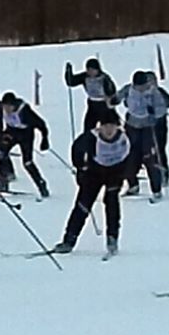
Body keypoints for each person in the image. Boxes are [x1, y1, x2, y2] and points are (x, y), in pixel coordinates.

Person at [53, 109, 130, 256]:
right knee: (83, 206)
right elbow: (76, 149)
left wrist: (127, 175)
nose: (108, 130)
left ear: (117, 127)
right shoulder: (91, 137)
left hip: (115, 173)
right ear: (100, 126)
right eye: (105, 126)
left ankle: (112, 238)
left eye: (112, 126)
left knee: (112, 203)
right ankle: (69, 240)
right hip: (94, 173)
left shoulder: (124, 139)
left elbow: (130, 157)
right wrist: (80, 168)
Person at [111, 70, 169, 200]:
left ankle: (156, 189)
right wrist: (114, 100)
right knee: (129, 155)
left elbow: (162, 108)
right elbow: (118, 97)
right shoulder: (129, 89)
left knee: (150, 157)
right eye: (138, 86)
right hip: (132, 126)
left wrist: (154, 111)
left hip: (148, 128)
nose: (140, 88)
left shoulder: (153, 92)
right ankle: (133, 185)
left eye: (143, 85)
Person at [0, 92, 50, 198]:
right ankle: (4, 179)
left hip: (26, 135)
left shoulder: (25, 112)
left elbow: (41, 124)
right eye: (4, 106)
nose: (6, 109)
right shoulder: (3, 110)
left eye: (8, 107)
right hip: (12, 132)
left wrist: (44, 139)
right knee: (0, 151)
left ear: (13, 105)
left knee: (27, 163)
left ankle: (41, 185)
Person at [65, 58, 117, 132]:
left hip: (104, 106)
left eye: (92, 70)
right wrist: (68, 72)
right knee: (88, 129)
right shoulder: (85, 77)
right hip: (92, 106)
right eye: (88, 70)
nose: (90, 72)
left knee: (107, 129)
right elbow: (72, 82)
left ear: (97, 69)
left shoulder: (104, 78)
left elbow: (112, 91)